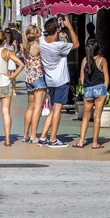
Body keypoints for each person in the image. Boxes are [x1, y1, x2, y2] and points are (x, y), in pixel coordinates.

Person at [37, 16, 79, 148]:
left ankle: (43, 136)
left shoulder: (41, 41)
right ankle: (53, 139)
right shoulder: (59, 46)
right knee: (58, 109)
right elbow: (77, 44)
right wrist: (70, 27)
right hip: (61, 80)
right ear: (57, 30)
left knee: (53, 109)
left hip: (49, 80)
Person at [73, 40, 109, 149]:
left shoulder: (84, 60)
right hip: (99, 89)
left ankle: (81, 141)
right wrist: (104, 89)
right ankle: (94, 143)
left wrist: (86, 87)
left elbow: (82, 79)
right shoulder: (102, 60)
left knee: (86, 116)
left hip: (88, 89)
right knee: (97, 116)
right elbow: (106, 78)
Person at [21, 25, 46, 143]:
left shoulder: (25, 47)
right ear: (36, 34)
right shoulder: (38, 47)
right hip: (38, 77)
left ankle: (25, 135)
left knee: (30, 107)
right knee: (37, 107)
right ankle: (33, 135)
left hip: (29, 77)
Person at [4, 28, 18, 95]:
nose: (7, 34)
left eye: (9, 32)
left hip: (11, 58)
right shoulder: (3, 41)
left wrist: (15, 46)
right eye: (6, 32)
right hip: (5, 58)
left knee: (13, 75)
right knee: (6, 74)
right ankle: (7, 88)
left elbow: (15, 51)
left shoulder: (13, 41)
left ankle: (13, 88)